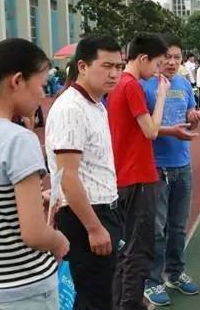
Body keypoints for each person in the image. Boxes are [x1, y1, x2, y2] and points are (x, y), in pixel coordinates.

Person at [0, 39, 69, 309]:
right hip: (25, 287)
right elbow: (33, 233)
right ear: (17, 80)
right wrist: (59, 241)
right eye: (41, 85)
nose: (43, 94)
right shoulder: (18, 139)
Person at [46, 35, 124, 310]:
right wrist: (94, 228)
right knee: (93, 299)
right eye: (107, 66)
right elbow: (69, 175)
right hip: (87, 216)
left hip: (104, 209)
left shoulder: (95, 103)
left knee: (100, 292)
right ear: (82, 66)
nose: (114, 73)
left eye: (119, 66)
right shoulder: (71, 108)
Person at [106, 33, 170, 310]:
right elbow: (151, 130)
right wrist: (162, 96)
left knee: (126, 249)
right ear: (143, 59)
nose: (158, 71)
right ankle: (129, 303)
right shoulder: (132, 86)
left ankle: (123, 301)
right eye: (157, 64)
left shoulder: (119, 84)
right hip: (138, 177)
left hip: (125, 175)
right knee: (139, 249)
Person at [143, 34, 200, 307]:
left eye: (177, 57)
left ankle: (175, 273)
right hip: (156, 167)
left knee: (178, 226)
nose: (171, 62)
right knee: (156, 229)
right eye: (166, 56)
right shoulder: (145, 86)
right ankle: (151, 281)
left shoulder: (184, 84)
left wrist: (194, 119)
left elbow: (190, 124)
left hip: (183, 165)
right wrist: (173, 131)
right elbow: (145, 131)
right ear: (157, 57)